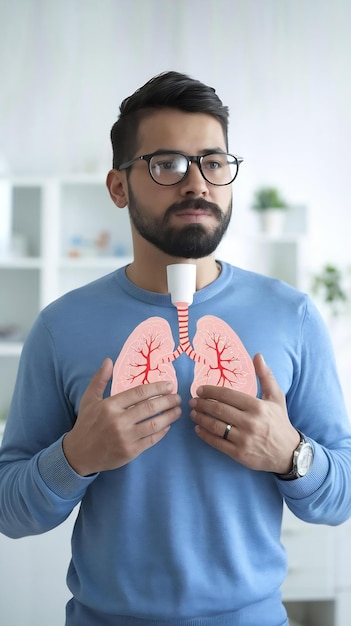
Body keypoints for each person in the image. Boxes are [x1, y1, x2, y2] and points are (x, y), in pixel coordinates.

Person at [0, 71, 350, 626]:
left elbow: (342, 494)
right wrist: (76, 458)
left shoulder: (294, 317)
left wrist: (291, 455)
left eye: (214, 162)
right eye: (168, 164)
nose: (197, 183)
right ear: (119, 187)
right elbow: (9, 510)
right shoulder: (61, 327)